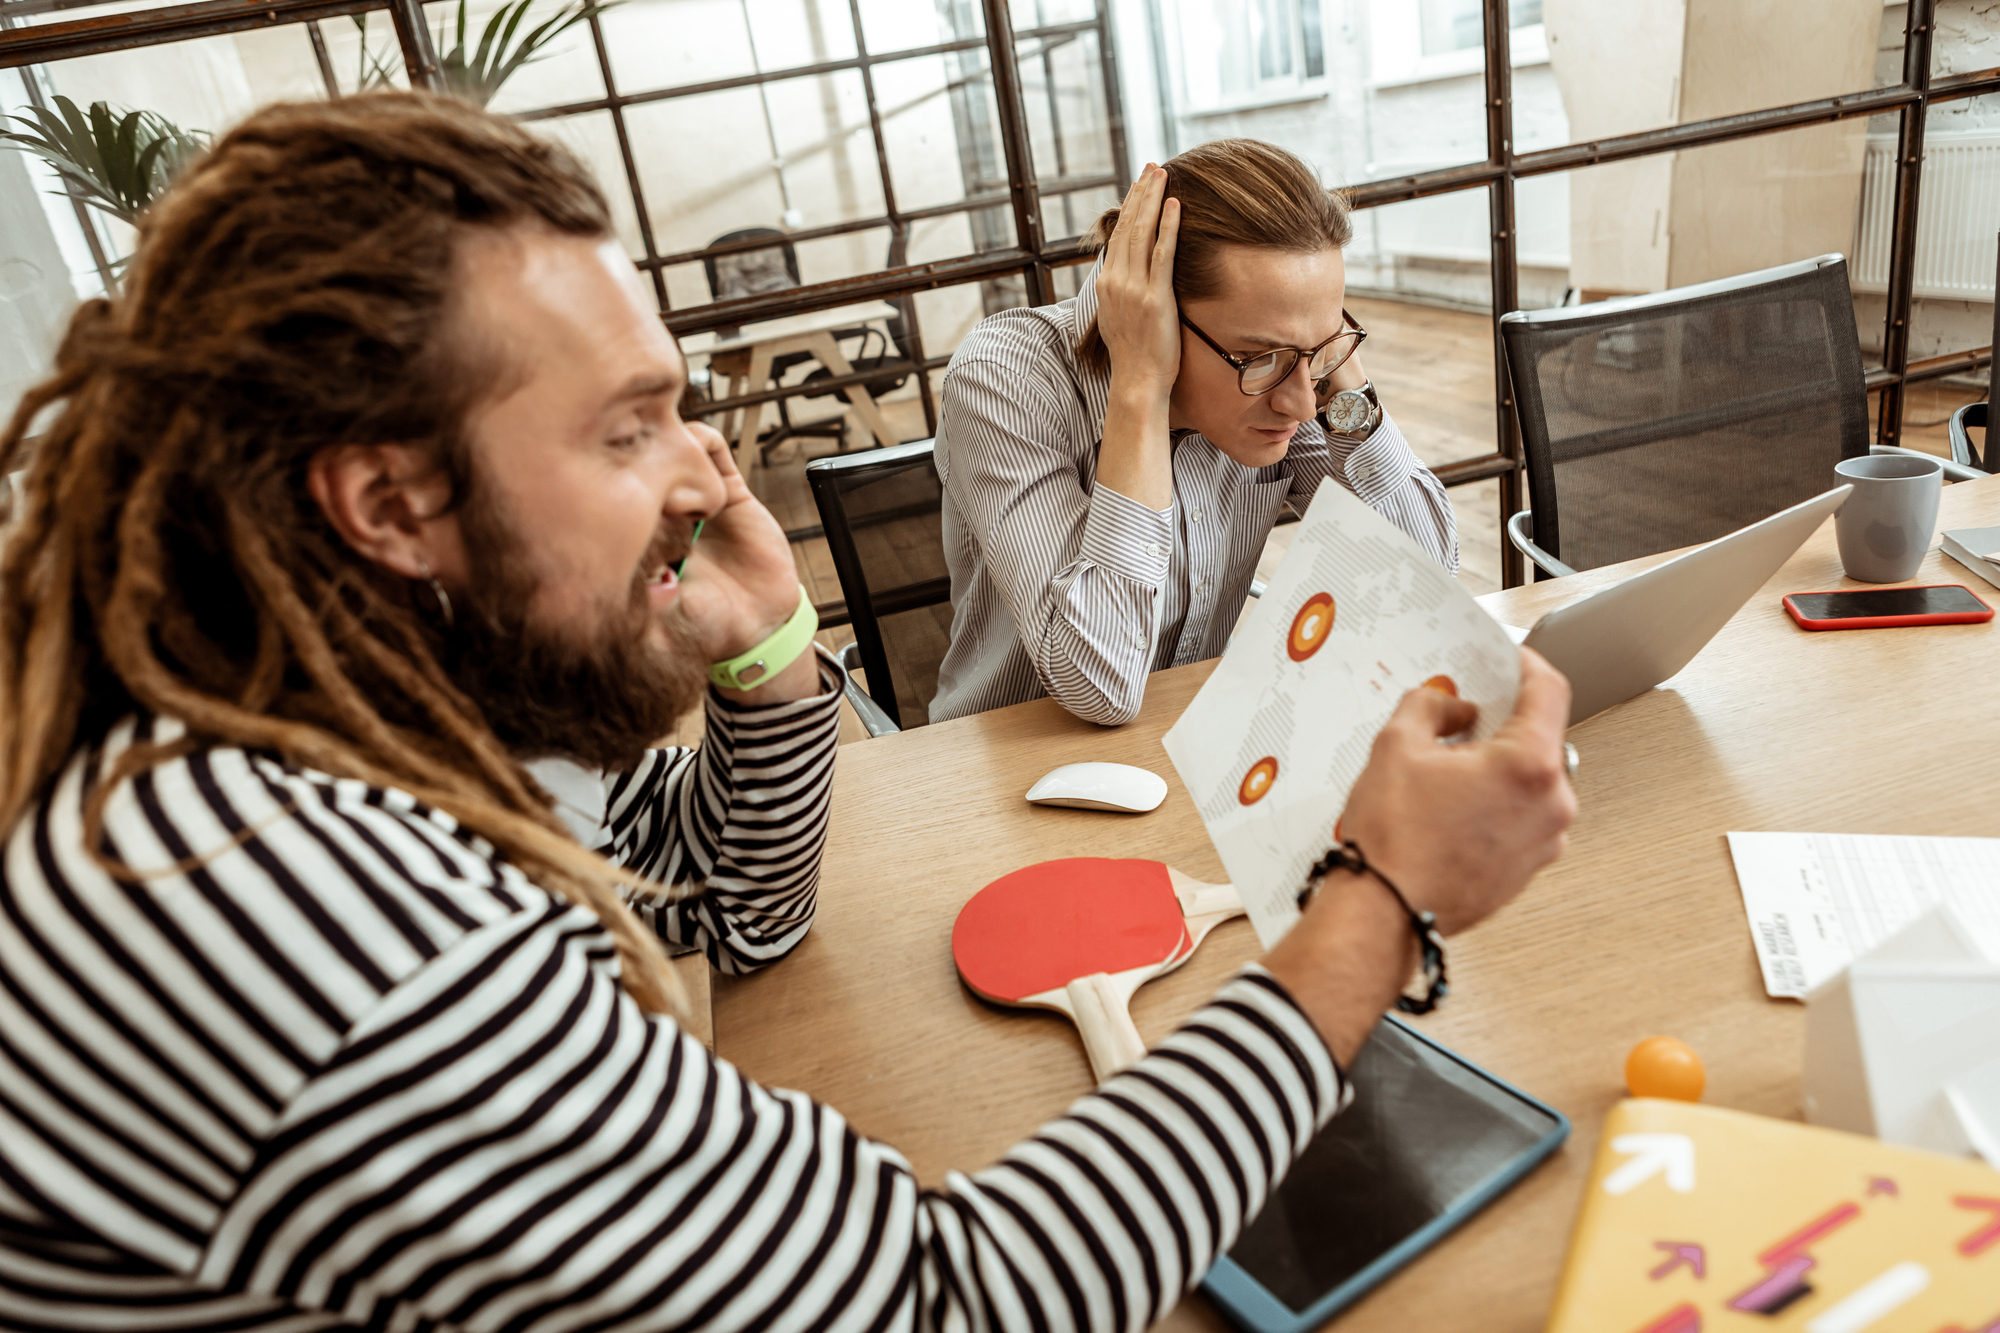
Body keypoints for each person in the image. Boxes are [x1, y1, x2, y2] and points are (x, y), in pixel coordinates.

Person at [0, 94, 1576, 1333]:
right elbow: (953, 1293)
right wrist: (1373, 908)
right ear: (387, 501)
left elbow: (729, 914)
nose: (710, 475)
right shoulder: (280, 902)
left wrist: (764, 673)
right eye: (631, 431)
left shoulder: (360, 715)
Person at [930, 141, 1458, 726]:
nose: (1304, 404)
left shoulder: (1288, 383)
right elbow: (1097, 685)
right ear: (1151, 313)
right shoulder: (1005, 378)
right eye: (1261, 357)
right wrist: (1141, 384)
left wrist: (1332, 353)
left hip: (1193, 736)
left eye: (1316, 354)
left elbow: (1427, 580)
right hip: (1005, 769)